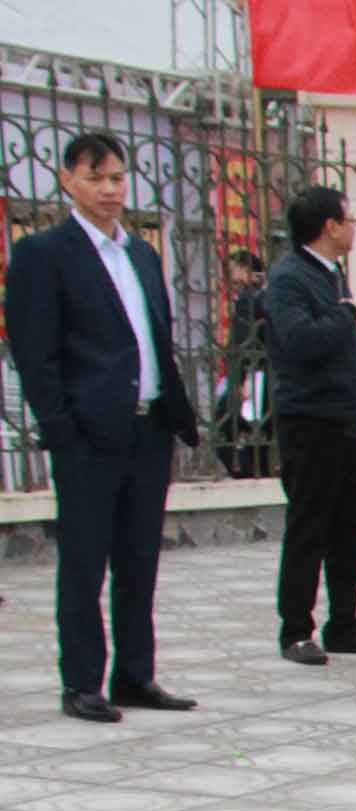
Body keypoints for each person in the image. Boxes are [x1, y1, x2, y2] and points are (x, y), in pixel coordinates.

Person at [3, 131, 205, 723]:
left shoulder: (141, 254)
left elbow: (157, 340)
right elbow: (35, 353)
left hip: (148, 430)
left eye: (117, 177)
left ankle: (135, 676)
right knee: (85, 564)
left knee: (139, 562)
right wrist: (60, 428)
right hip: (88, 437)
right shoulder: (44, 254)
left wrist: (175, 415)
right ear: (67, 180)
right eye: (96, 178)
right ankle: (82, 683)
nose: (110, 189)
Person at [264, 184, 356, 669]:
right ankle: (296, 629)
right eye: (349, 219)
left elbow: (347, 352)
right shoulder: (289, 278)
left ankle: (344, 624)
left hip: (345, 419)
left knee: (349, 527)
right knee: (309, 527)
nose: (354, 227)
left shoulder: (331, 273)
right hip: (310, 422)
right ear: (329, 227)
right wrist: (344, 314)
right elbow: (301, 341)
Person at [215, 247, 266, 479]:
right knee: (252, 429)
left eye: (233, 271)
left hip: (252, 376)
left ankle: (245, 472)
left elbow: (243, 343)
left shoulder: (251, 298)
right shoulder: (258, 295)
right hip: (254, 375)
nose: (229, 279)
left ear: (247, 270)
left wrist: (239, 380)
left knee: (225, 425)